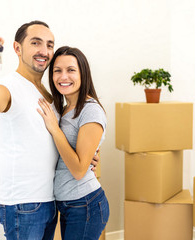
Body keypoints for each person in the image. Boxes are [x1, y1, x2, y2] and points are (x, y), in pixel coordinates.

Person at [0, 21, 99, 240]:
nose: (44, 51)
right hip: (23, 204)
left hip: (49, 200)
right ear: (17, 48)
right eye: (36, 43)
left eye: (49, 45)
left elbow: (48, 140)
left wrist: (85, 155)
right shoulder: (10, 87)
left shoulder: (49, 94)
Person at [37, 46, 110, 240]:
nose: (63, 76)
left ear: (83, 73)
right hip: (68, 203)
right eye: (57, 71)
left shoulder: (90, 110)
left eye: (71, 70)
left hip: (84, 203)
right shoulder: (64, 108)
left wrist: (54, 128)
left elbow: (78, 170)